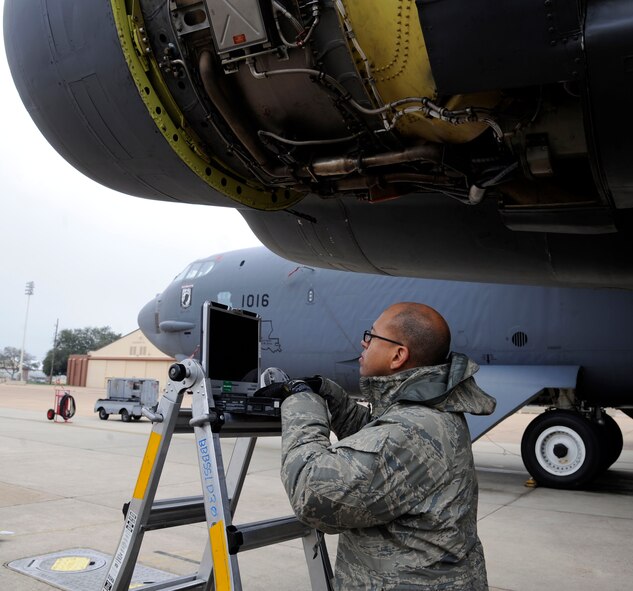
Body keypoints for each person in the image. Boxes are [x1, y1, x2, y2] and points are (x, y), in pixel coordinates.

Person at [265, 302, 496, 590]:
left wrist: (300, 402)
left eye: (372, 336)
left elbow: (311, 494)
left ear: (398, 355)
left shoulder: (411, 430)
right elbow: (375, 442)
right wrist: (331, 396)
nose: (364, 342)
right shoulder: (427, 413)